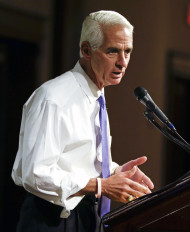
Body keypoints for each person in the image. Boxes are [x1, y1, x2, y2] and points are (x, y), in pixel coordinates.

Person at [11, 10, 154, 232]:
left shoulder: (97, 95)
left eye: (128, 51)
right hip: (52, 220)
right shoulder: (53, 98)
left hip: (87, 216)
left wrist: (114, 173)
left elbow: (77, 160)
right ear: (87, 50)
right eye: (113, 51)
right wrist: (101, 185)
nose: (123, 62)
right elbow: (35, 174)